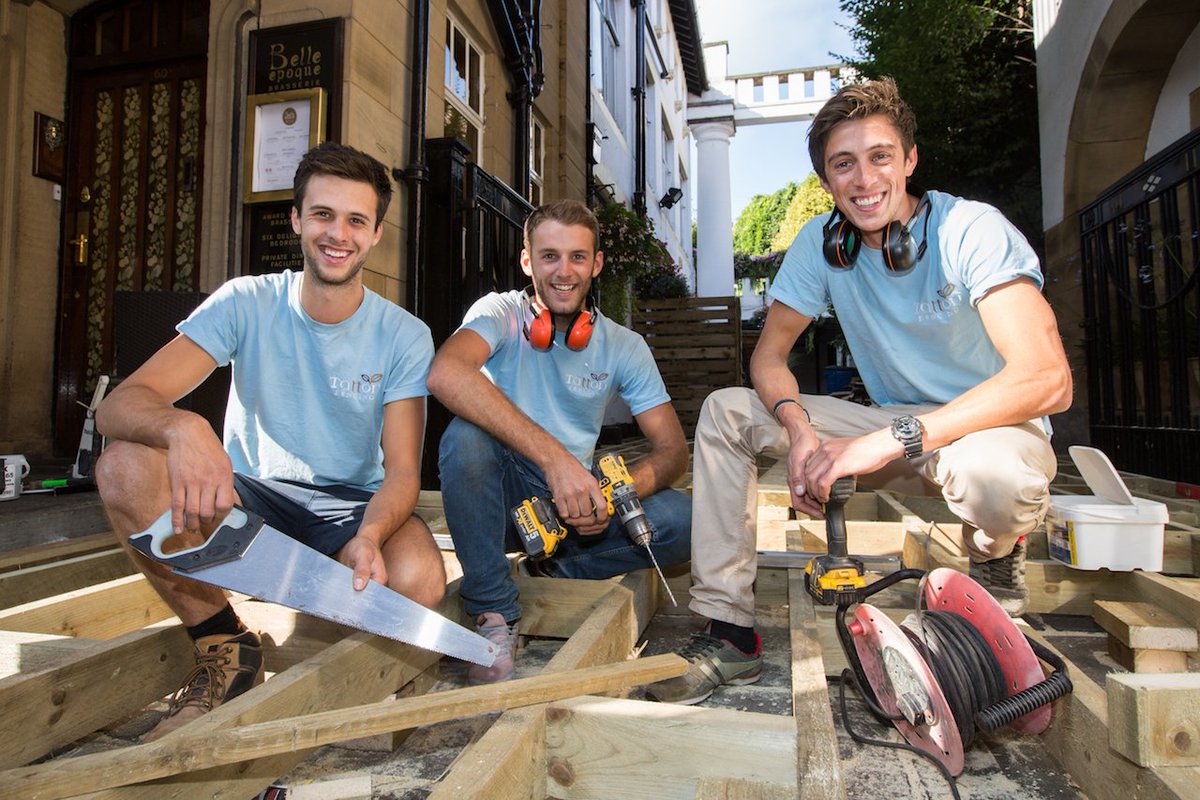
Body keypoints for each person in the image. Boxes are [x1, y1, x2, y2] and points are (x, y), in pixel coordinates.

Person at [645, 77, 1072, 705]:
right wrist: (800, 432)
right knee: (726, 411)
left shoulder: (970, 229)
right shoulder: (822, 245)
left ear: (910, 160)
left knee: (999, 480)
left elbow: (1047, 378)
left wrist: (888, 439)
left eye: (880, 156)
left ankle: (994, 549)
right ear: (827, 181)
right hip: (894, 427)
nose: (864, 179)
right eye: (844, 164)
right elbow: (768, 356)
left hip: (990, 425)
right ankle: (729, 630)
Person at [95, 141, 445, 739]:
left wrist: (368, 537)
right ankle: (225, 645)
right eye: (323, 214)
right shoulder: (247, 301)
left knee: (420, 577)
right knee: (123, 467)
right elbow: (119, 406)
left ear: (376, 234)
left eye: (356, 220)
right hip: (249, 496)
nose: (338, 234)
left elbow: (403, 472)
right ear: (296, 219)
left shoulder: (404, 335)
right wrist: (184, 426)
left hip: (347, 506)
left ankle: (358, 664)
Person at [426, 199, 692, 685]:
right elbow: (446, 372)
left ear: (597, 264)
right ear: (527, 261)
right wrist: (556, 461)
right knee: (466, 437)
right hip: (500, 501)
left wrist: (609, 496)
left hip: (574, 509)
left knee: (683, 520)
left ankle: (551, 569)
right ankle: (493, 611)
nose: (564, 271)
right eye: (549, 256)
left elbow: (673, 451)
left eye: (577, 257)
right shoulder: (500, 313)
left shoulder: (625, 346)